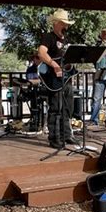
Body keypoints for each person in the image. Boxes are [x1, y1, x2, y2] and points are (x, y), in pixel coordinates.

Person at [37, 9, 79, 148]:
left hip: (67, 78)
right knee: (56, 108)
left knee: (67, 109)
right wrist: (54, 64)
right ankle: (54, 138)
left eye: (66, 23)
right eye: (63, 23)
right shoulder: (48, 37)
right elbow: (41, 53)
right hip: (54, 79)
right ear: (56, 23)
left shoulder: (66, 39)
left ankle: (67, 135)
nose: (66, 26)